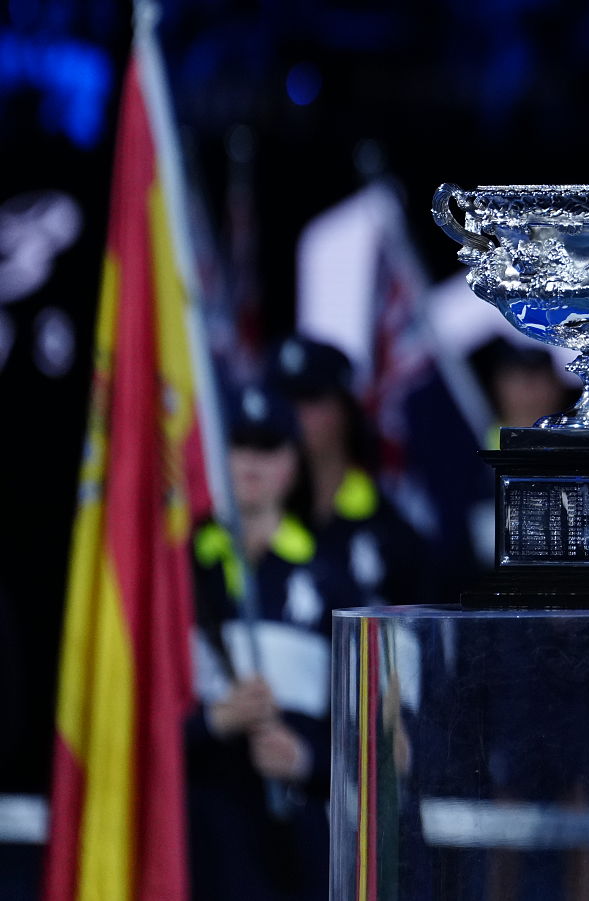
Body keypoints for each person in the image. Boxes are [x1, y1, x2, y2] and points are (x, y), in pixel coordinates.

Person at [188, 378, 363, 900]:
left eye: (267, 447)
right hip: (198, 845)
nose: (251, 462)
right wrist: (214, 721)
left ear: (292, 462)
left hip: (293, 852)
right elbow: (135, 722)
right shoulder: (179, 574)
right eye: (239, 444)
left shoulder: (333, 582)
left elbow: (372, 734)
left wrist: (306, 760)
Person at [272, 336, 431, 605]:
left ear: (346, 409)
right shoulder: (250, 521)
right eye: (282, 398)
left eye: (310, 397)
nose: (294, 413)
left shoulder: (390, 532)